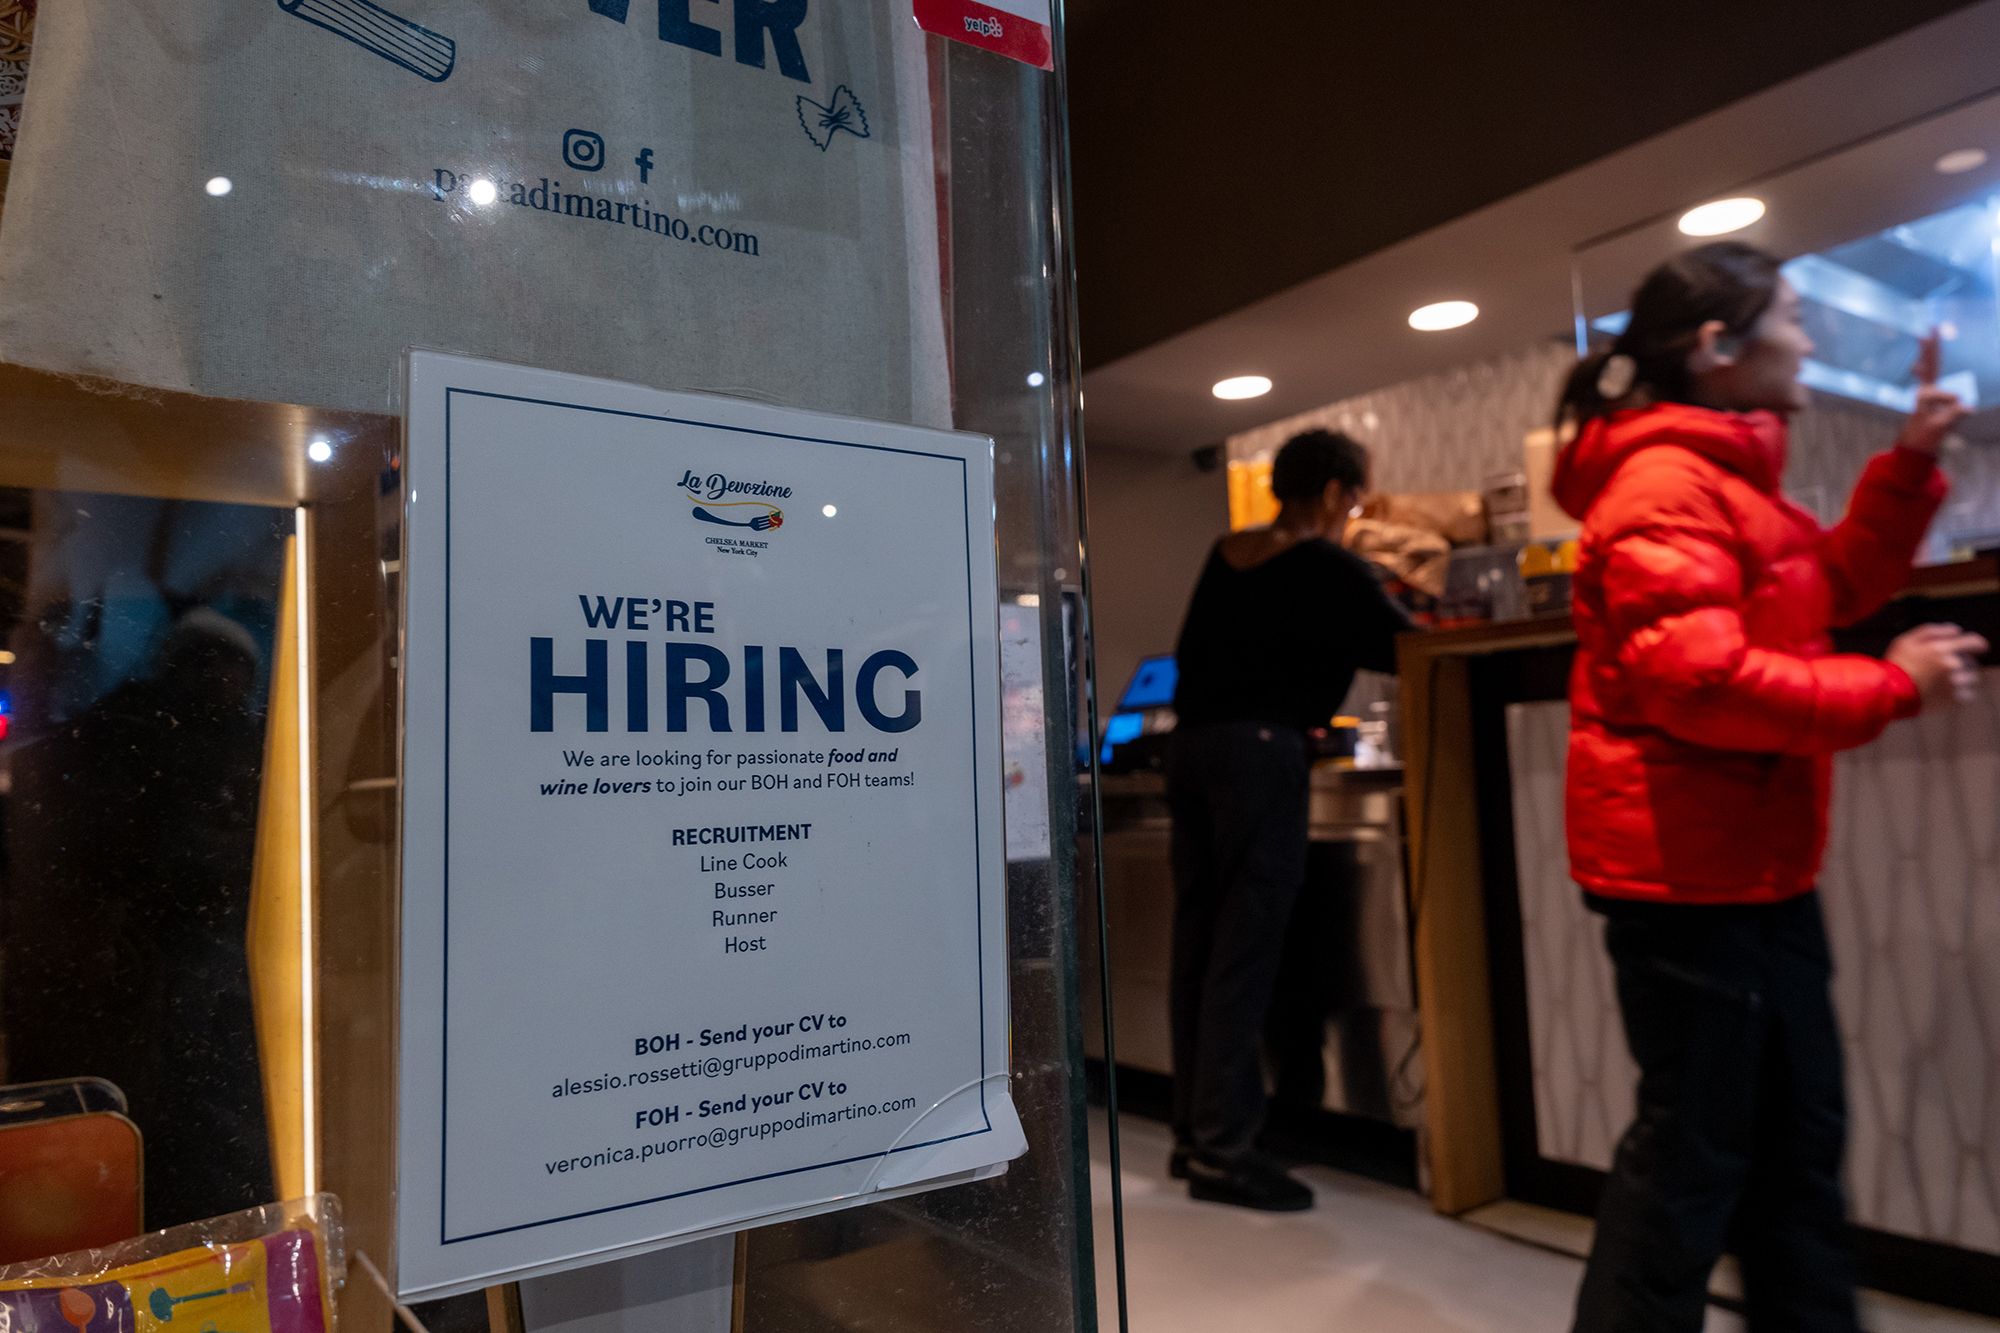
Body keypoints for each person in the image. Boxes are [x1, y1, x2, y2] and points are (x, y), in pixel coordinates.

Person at [1551, 241, 1987, 1331]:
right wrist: (1893, 686)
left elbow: (1827, 584)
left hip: (1746, 872)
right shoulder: (1663, 485)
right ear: (1717, 346)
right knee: (1692, 1170)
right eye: (1793, 315)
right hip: (1686, 885)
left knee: (1786, 1152)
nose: (1808, 337)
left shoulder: (1726, 478)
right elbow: (1697, 685)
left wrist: (1910, 458)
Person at [1165, 428, 1412, 1210]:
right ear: (1338, 491)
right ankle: (1226, 1152)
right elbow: (1410, 648)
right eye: (1356, 496)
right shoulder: (1327, 564)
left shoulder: (1225, 551)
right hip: (1261, 759)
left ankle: (1194, 1136)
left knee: (1200, 950)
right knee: (1244, 950)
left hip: (1194, 753)